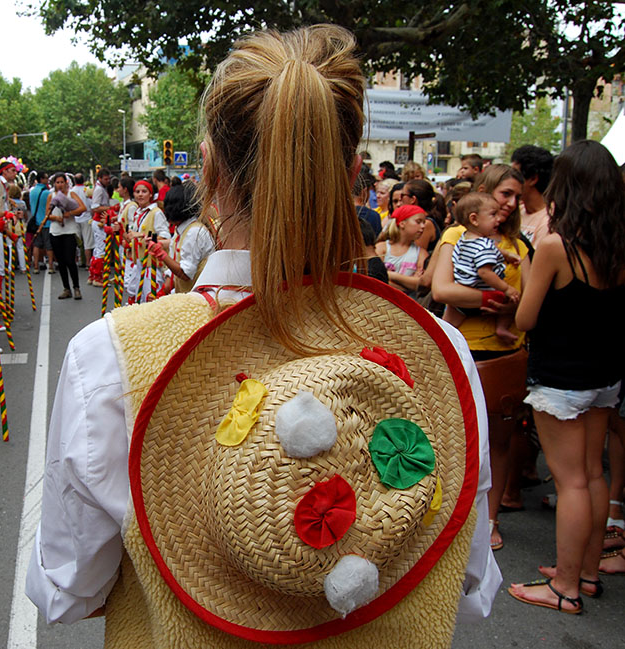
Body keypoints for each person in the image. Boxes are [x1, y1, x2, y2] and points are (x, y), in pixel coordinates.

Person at [26, 26, 498, 647]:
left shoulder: (111, 356)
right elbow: (466, 584)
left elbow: (68, 588)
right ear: (353, 171)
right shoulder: (441, 355)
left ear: (210, 169)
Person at [508, 140, 625, 613]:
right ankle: (587, 572)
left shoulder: (555, 247)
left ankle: (566, 588)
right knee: (593, 475)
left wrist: (529, 269)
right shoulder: (618, 244)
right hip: (604, 375)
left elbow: (525, 320)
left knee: (570, 481)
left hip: (560, 379)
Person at [430, 164, 529, 553]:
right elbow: (442, 290)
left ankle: (489, 520)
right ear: (485, 194)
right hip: (461, 348)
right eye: (504, 194)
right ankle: (447, 517)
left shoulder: (518, 246)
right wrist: (490, 299)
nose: (510, 203)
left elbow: (524, 306)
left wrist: (504, 308)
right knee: (455, 437)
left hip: (503, 353)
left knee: (499, 443)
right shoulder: (456, 235)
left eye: (516, 197)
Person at [444, 193, 520, 342]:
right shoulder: (484, 245)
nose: (498, 219)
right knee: (508, 300)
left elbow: (489, 251)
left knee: (447, 328)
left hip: (461, 293)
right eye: (493, 214)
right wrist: (506, 289)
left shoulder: (464, 238)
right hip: (483, 290)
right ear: (474, 219)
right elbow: (485, 273)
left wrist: (505, 254)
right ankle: (502, 328)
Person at [149, 182, 215, 293]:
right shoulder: (181, 230)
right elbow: (174, 268)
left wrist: (161, 254)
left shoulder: (193, 232)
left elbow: (185, 273)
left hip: (198, 297)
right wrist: (163, 291)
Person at [124, 179, 170, 302]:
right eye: (137, 191)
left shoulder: (156, 213)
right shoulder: (138, 213)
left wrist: (141, 235)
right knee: (134, 294)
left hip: (151, 264)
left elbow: (165, 237)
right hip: (138, 262)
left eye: (144, 191)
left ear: (150, 194)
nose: (140, 194)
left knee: (149, 298)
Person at [48, 173, 87, 300]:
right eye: (57, 182)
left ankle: (76, 287)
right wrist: (56, 218)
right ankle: (66, 288)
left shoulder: (71, 195)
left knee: (70, 260)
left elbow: (83, 208)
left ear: (66, 183)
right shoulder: (51, 196)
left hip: (70, 231)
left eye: (61, 182)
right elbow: (47, 214)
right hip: (56, 231)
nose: (59, 185)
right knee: (61, 262)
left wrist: (70, 213)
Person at [375, 204, 426, 294]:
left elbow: (420, 284)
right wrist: (408, 284)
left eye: (424, 222)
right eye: (418, 222)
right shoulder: (382, 248)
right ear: (402, 223)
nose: (423, 226)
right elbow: (375, 279)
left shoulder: (421, 254)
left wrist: (390, 275)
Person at [510, 145, 554, 247]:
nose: (510, 179)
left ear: (533, 179)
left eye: (515, 174)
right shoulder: (516, 211)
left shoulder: (549, 221)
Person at [29, 171, 54, 274]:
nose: (47, 180)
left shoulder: (32, 191)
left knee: (36, 245)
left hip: (35, 222)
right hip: (46, 222)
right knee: (49, 245)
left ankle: (35, 266)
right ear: (42, 179)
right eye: (46, 178)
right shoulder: (47, 193)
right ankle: (51, 266)